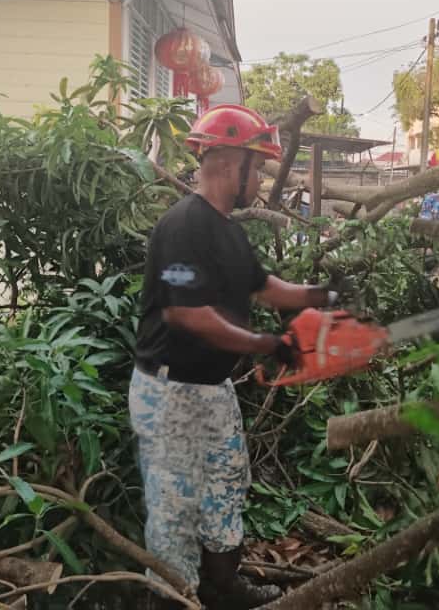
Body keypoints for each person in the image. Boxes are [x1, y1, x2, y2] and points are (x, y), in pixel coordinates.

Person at [130, 104, 339, 610]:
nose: (262, 181)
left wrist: (322, 295)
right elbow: (187, 315)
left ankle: (221, 588)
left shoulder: (228, 229)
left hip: (212, 390)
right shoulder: (183, 226)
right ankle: (173, 598)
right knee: (175, 510)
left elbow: (265, 288)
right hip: (171, 392)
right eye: (259, 168)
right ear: (229, 164)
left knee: (227, 484)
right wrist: (266, 344)